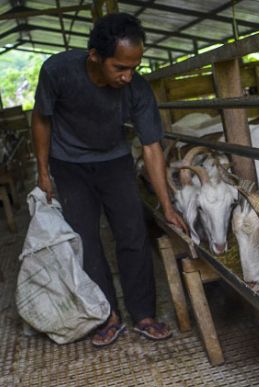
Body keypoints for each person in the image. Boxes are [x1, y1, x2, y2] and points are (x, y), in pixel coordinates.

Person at [32, 13, 187, 347]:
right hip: (68, 164)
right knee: (85, 240)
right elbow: (41, 119)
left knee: (132, 233)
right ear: (94, 57)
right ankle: (107, 316)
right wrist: (43, 172)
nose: (128, 76)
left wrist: (166, 204)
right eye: (120, 67)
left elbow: (151, 147)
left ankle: (143, 313)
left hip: (114, 161)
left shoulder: (137, 88)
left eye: (134, 67)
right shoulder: (57, 71)